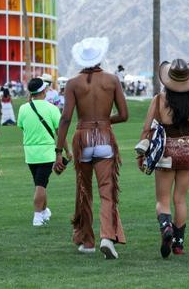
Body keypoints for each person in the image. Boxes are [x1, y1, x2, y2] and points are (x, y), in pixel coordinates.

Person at [55, 37, 128, 259]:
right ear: (100, 57)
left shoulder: (73, 83)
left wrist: (58, 152)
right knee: (107, 191)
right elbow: (124, 115)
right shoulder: (112, 80)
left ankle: (87, 241)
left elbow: (66, 118)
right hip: (104, 138)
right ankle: (107, 237)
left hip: (82, 140)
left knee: (84, 191)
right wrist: (104, 121)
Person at [139, 59, 189, 258]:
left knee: (163, 199)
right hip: (188, 152)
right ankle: (178, 244)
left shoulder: (159, 100)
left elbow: (146, 129)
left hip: (166, 152)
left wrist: (142, 154)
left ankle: (166, 227)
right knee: (181, 199)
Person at [18, 78, 69, 226]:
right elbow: (60, 133)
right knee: (41, 185)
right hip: (46, 152)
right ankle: (37, 216)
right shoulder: (52, 108)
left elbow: (22, 126)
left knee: (40, 183)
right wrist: (67, 151)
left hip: (30, 153)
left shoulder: (23, 108)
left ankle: (44, 210)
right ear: (43, 91)